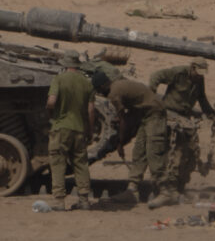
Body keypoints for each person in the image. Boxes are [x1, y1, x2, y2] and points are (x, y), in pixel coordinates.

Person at [92, 71, 177, 209]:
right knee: (139, 151)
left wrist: (120, 143)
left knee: (153, 152)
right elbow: (131, 111)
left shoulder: (114, 93)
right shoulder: (117, 85)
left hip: (154, 113)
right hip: (144, 114)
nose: (100, 93)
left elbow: (123, 121)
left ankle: (165, 191)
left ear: (102, 86)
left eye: (98, 90)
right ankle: (132, 190)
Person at [149, 59, 215, 193]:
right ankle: (164, 186)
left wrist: (213, 116)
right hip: (169, 115)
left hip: (185, 118)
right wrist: (152, 97)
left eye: (203, 73)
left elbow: (202, 99)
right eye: (198, 72)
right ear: (192, 68)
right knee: (172, 153)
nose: (200, 76)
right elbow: (156, 76)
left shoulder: (199, 79)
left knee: (189, 154)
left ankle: (180, 186)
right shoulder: (178, 73)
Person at [46, 51, 95, 211]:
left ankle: (59, 201)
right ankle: (84, 200)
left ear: (65, 64)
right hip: (80, 129)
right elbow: (91, 110)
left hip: (61, 127)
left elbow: (51, 101)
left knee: (58, 162)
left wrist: (50, 113)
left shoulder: (59, 79)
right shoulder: (87, 83)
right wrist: (90, 130)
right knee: (81, 163)